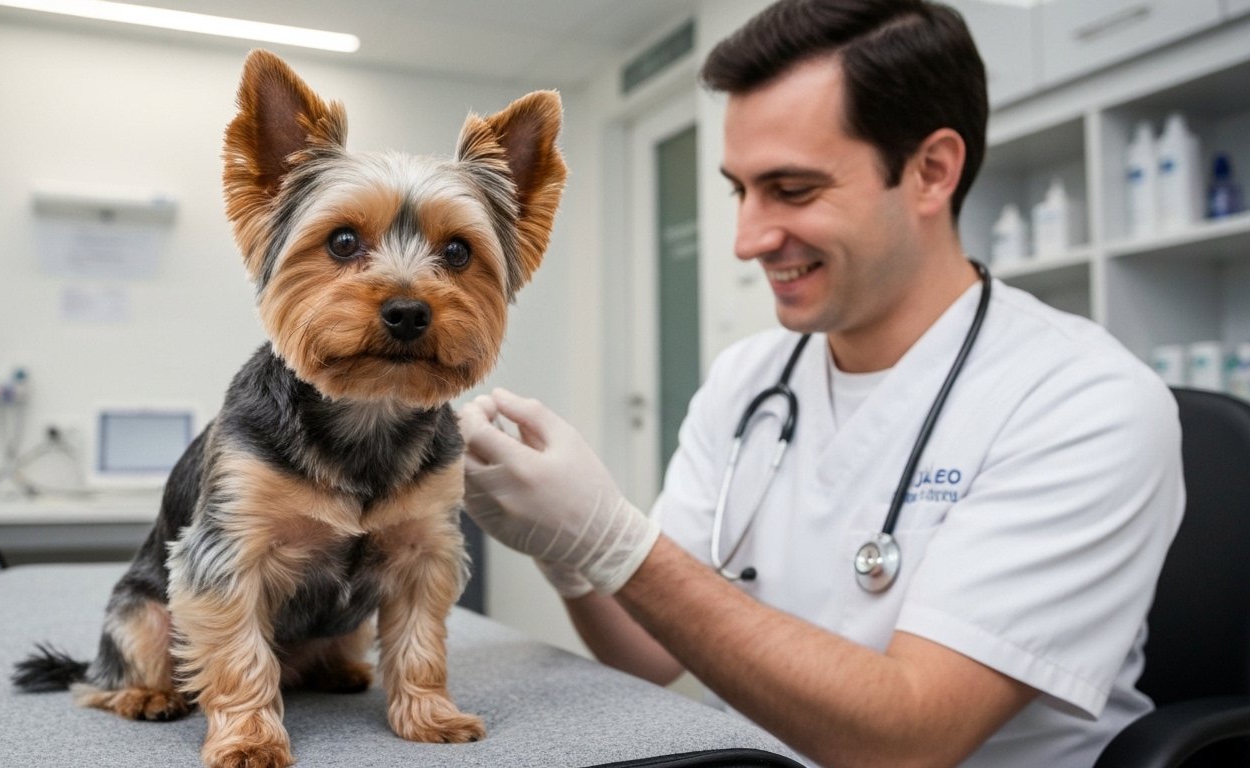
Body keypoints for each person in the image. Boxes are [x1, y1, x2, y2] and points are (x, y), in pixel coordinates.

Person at [456, 0, 1184, 766]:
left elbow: (909, 739)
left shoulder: (1084, 400)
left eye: (793, 190)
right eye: (741, 189)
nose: (747, 239)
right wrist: (569, 551)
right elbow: (647, 653)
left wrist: (614, 539)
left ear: (932, 171)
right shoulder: (749, 379)